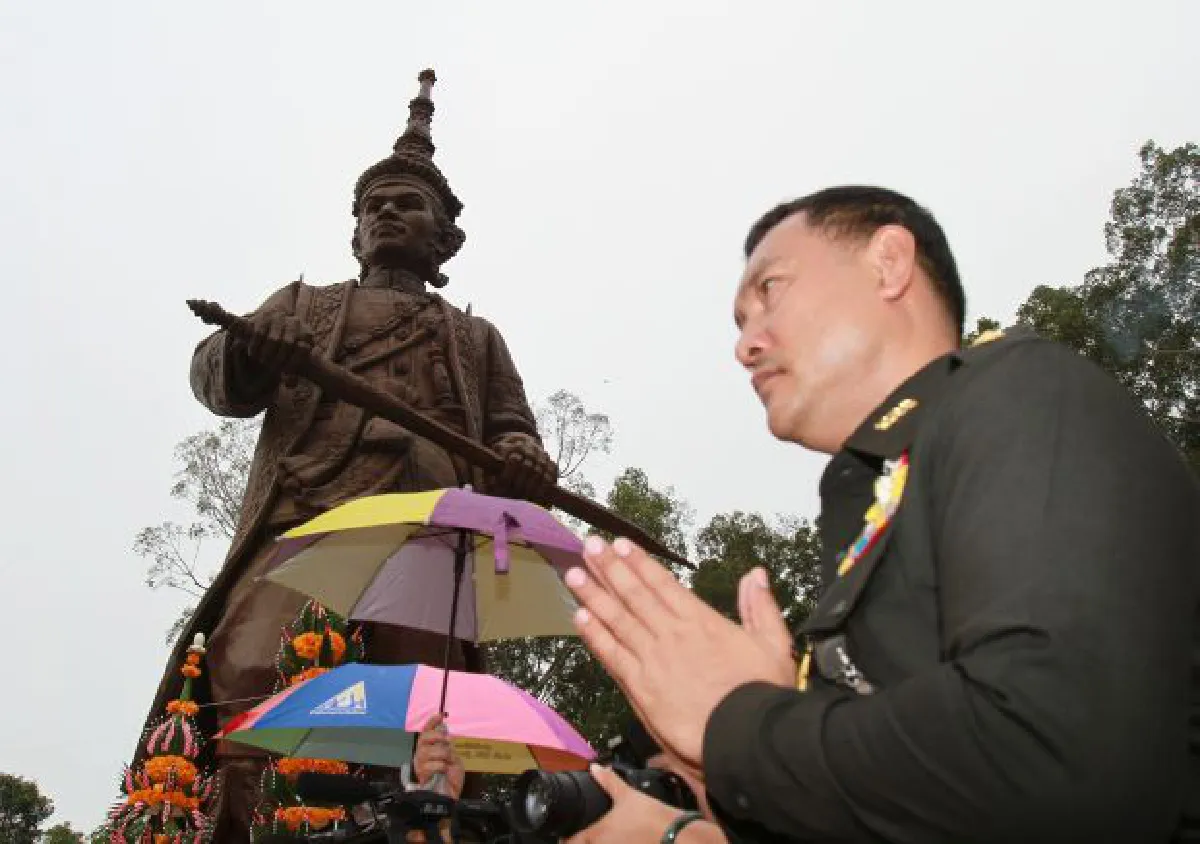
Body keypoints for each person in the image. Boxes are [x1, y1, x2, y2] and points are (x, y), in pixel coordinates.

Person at [562, 186, 1199, 842]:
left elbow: (1059, 760)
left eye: (770, 292)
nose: (745, 345)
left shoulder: (1021, 395)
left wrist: (738, 723)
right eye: (738, 323)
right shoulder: (873, 503)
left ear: (888, 263)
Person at [137, 70, 557, 840]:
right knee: (250, 671)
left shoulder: (475, 337)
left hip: (426, 543)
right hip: (306, 524)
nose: (387, 214)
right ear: (355, 232)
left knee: (426, 709)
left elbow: (512, 433)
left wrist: (523, 456)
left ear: (445, 239)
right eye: (374, 207)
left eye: (408, 205)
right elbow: (215, 380)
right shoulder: (302, 307)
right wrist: (250, 347)